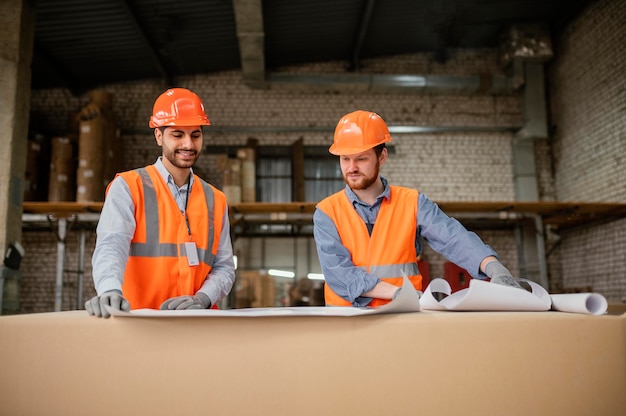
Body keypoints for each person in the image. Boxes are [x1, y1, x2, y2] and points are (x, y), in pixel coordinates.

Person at [313, 110, 522, 307]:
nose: (352, 168)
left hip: (402, 321)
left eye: (361, 158)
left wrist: (494, 268)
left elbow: (453, 237)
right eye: (345, 159)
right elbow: (339, 272)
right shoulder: (327, 212)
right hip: (347, 322)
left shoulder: (412, 202)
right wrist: (396, 293)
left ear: (382, 157)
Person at [85, 88, 236, 318]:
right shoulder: (128, 187)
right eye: (177, 134)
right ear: (158, 136)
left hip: (197, 327)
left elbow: (224, 267)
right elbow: (111, 245)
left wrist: (202, 299)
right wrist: (109, 289)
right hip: (138, 324)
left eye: (195, 135)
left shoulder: (216, 199)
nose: (188, 144)